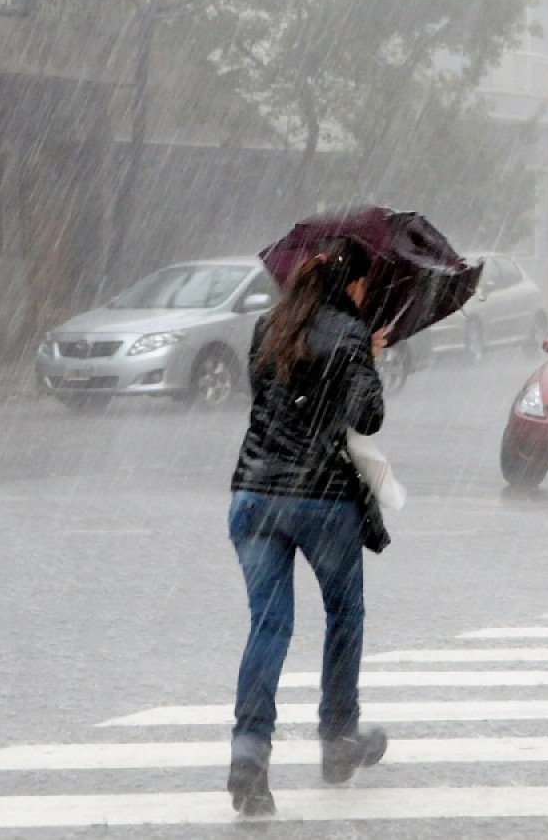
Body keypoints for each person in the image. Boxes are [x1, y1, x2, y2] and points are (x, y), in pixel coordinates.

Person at [226, 234, 389, 816]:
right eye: (365, 285)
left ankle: (249, 754)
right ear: (352, 283)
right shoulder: (349, 335)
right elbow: (366, 414)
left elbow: (268, 396)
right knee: (344, 614)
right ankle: (338, 739)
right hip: (320, 499)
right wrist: (366, 356)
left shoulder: (267, 327)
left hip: (252, 494)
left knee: (268, 628)